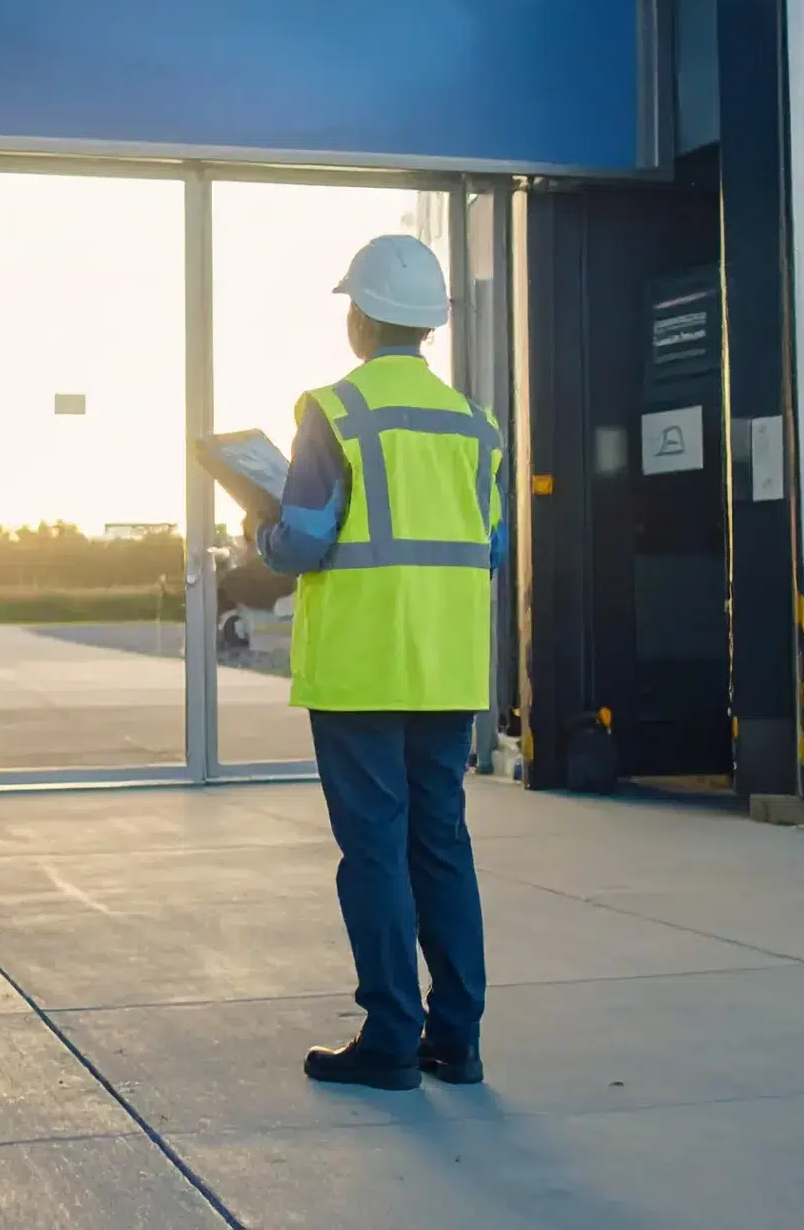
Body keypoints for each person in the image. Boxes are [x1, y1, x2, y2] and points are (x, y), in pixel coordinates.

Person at [248, 233, 506, 1092]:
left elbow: (305, 540)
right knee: (442, 841)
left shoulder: (336, 411)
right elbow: (491, 547)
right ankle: (455, 1040)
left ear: (359, 318)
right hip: (447, 665)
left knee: (375, 850)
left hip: (363, 666)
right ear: (427, 326)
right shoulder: (476, 424)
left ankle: (392, 1036)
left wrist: (263, 531)